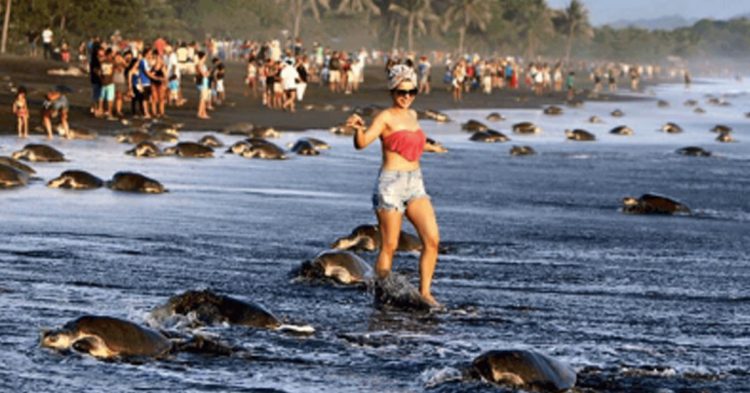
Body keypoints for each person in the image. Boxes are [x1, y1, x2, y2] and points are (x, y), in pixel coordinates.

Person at [346, 64, 442, 307]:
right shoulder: (385, 117)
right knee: (389, 245)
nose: (407, 97)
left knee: (432, 240)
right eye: (402, 92)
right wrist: (358, 130)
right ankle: (381, 294)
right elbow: (363, 142)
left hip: (415, 183)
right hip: (391, 185)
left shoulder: (412, 115)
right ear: (392, 91)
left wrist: (431, 147)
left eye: (412, 92)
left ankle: (425, 293)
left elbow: (410, 145)